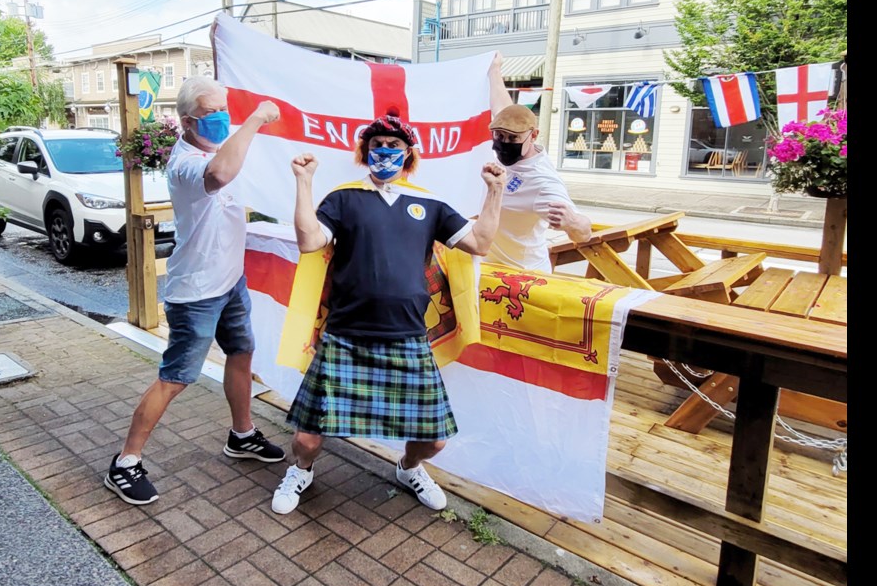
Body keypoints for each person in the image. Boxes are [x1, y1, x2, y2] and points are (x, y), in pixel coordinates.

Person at [271, 110, 507, 514]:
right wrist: (304, 182)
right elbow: (310, 241)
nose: (384, 151)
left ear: (408, 154)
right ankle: (301, 470)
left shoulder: (429, 204)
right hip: (346, 334)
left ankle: (408, 468)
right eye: (376, 145)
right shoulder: (344, 198)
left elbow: (480, 243)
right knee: (308, 438)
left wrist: (494, 190)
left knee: (433, 440)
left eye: (393, 146)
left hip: (408, 336)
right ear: (365, 152)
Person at [104, 76, 286, 505]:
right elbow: (220, 174)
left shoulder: (224, 148)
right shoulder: (185, 163)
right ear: (187, 123)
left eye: (227, 109)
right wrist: (258, 117)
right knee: (176, 377)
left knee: (242, 355)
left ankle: (242, 435)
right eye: (213, 113)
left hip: (230, 283)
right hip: (195, 293)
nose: (224, 118)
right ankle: (125, 463)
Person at [487, 53, 592, 273]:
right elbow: (502, 106)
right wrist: (494, 70)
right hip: (491, 268)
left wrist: (573, 222)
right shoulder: (508, 131)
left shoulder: (542, 181)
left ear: (533, 135)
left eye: (513, 138)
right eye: (499, 135)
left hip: (523, 275)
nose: (504, 142)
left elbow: (584, 234)